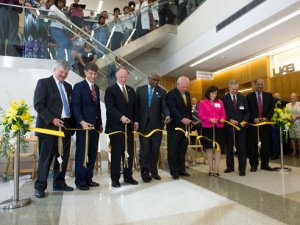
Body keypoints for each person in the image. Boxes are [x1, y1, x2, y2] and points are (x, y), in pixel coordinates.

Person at [34, 60, 74, 198]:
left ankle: (59, 182)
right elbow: (39, 105)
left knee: (62, 157)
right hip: (48, 128)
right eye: (61, 72)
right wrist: (52, 119)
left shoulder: (68, 86)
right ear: (54, 70)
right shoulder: (43, 83)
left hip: (65, 127)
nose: (63, 75)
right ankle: (40, 187)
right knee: (46, 158)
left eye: (66, 73)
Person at [104, 67, 138, 188]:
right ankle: (115, 178)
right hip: (116, 127)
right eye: (121, 77)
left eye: (125, 77)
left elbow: (134, 108)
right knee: (117, 153)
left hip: (128, 128)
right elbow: (110, 107)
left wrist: (135, 121)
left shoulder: (130, 90)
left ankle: (128, 176)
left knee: (129, 153)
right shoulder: (110, 90)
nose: (123, 79)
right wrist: (121, 117)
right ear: (116, 77)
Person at [72, 62, 102, 190]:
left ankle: (89, 178)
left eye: (95, 74)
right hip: (83, 126)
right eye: (91, 73)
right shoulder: (78, 87)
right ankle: (80, 181)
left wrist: (99, 123)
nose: (93, 76)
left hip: (94, 126)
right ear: (85, 72)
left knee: (92, 153)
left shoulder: (97, 88)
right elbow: (75, 106)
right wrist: (81, 122)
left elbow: (97, 108)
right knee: (82, 154)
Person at [135, 71, 170, 182]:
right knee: (144, 150)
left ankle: (154, 171)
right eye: (154, 79)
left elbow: (164, 106)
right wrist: (136, 121)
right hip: (144, 125)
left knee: (155, 150)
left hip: (156, 126)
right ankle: (144, 172)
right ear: (148, 78)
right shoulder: (140, 90)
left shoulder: (162, 92)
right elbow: (136, 108)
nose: (156, 82)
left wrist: (167, 115)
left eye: (157, 80)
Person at [246, 79, 275, 171]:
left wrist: (267, 117)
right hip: (253, 124)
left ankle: (265, 164)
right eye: (258, 84)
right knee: (253, 144)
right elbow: (247, 110)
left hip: (265, 123)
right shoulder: (248, 97)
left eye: (261, 84)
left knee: (266, 144)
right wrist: (253, 118)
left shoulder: (269, 96)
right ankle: (254, 165)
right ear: (255, 85)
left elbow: (272, 108)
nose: (260, 86)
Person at [221, 80, 249, 176]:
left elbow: (246, 112)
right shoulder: (223, 99)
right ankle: (230, 167)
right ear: (229, 88)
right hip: (229, 127)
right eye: (233, 89)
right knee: (229, 148)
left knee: (241, 148)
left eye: (237, 89)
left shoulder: (242, 98)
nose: (235, 91)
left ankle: (242, 169)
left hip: (241, 128)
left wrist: (245, 120)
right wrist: (229, 120)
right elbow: (222, 114)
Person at [166, 76, 192, 179]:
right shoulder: (171, 94)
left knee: (182, 150)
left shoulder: (188, 94)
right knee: (173, 150)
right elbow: (172, 109)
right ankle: (174, 171)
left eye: (187, 87)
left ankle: (182, 170)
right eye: (183, 87)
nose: (185, 89)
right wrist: (182, 119)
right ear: (178, 84)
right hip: (174, 128)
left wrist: (190, 120)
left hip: (185, 128)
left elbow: (188, 110)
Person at [198, 86, 226, 177]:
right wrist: (209, 119)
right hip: (207, 127)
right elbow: (200, 116)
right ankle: (210, 168)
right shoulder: (202, 103)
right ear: (208, 93)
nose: (214, 95)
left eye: (215, 93)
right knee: (209, 148)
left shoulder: (220, 102)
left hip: (219, 127)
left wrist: (222, 119)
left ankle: (216, 168)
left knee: (218, 148)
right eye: (212, 93)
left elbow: (223, 114)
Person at [49, 0, 74, 66]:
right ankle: (59, 61)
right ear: (56, 1)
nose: (61, 3)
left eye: (63, 2)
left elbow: (66, 22)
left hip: (62, 30)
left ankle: (68, 61)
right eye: (60, 1)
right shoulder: (53, 7)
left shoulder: (61, 11)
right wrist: (63, 21)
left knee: (69, 43)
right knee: (64, 43)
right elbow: (51, 16)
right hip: (55, 28)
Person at [271, 92, 288, 159]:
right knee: (274, 139)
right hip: (273, 124)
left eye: (277, 96)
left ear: (280, 97)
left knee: (280, 140)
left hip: (281, 124)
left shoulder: (284, 103)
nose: (275, 97)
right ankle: (274, 153)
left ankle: (280, 153)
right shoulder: (272, 104)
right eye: (274, 96)